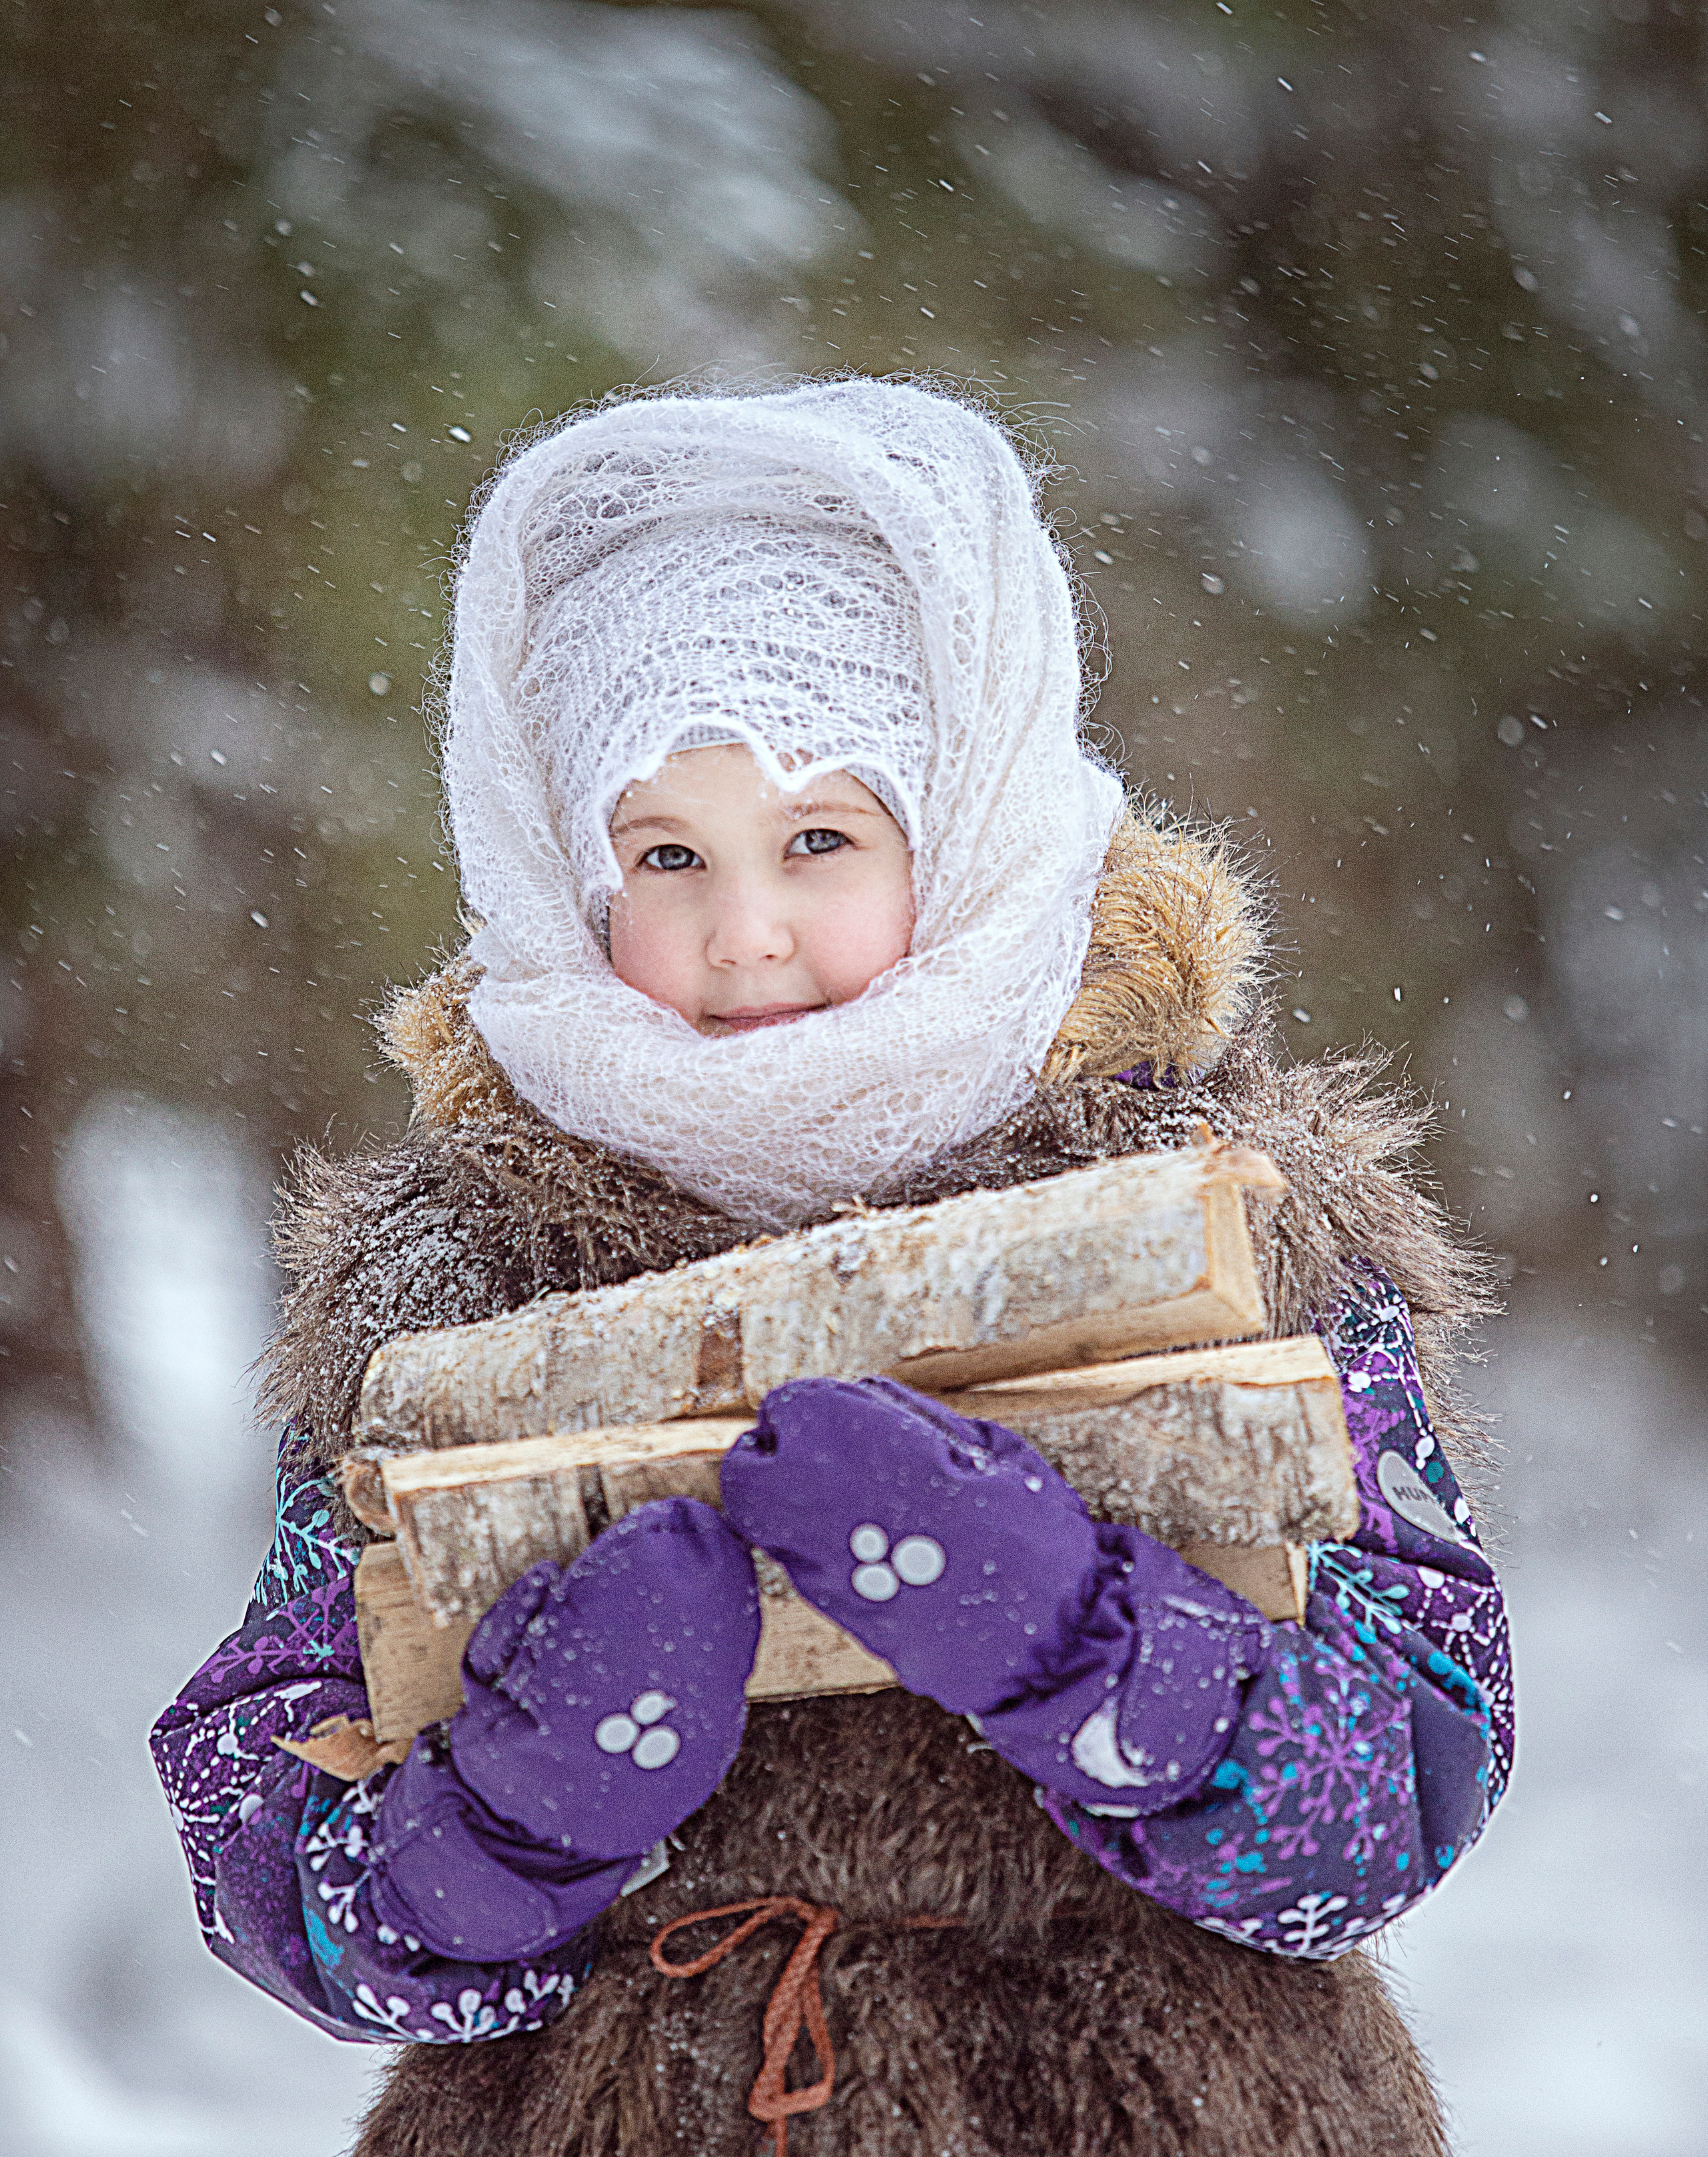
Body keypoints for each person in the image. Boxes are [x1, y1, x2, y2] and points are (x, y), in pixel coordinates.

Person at [151, 378, 1511, 2156]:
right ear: (563, 864)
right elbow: (274, 1843)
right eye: (665, 855)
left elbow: (1403, 1779)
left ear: (960, 824)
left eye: (819, 838)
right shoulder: (450, 1282)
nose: (744, 931)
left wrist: (1079, 1632)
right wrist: (524, 1806)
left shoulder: (1226, 1212)